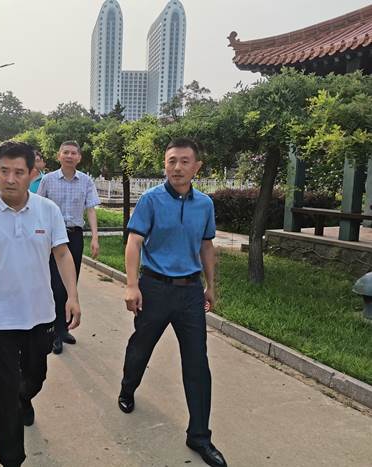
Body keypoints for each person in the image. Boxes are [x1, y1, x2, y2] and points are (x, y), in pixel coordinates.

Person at [0, 141, 81, 467]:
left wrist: (72, 296)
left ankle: (24, 396)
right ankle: (10, 458)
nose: (10, 179)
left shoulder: (47, 210)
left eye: (18, 172)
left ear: (32, 174)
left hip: (40, 316)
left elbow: (62, 254)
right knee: (3, 392)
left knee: (35, 376)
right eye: (4, 171)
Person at [118, 138, 227, 467]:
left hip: (190, 292)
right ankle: (128, 387)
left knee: (197, 363)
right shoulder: (151, 200)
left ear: (197, 167)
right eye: (171, 161)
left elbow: (206, 246)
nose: (177, 167)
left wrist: (210, 286)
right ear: (164, 165)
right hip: (154, 288)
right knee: (141, 347)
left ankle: (199, 436)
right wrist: (132, 285)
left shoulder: (204, 204)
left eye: (184, 161)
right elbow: (134, 241)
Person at [37, 140, 99, 354]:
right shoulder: (48, 180)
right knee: (55, 284)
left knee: (70, 284)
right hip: (52, 238)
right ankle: (54, 332)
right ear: (59, 155)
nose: (70, 156)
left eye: (74, 153)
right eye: (66, 152)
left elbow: (91, 209)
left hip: (74, 236)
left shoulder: (86, 181)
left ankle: (63, 329)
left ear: (79, 157)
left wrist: (95, 237)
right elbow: (38, 208)